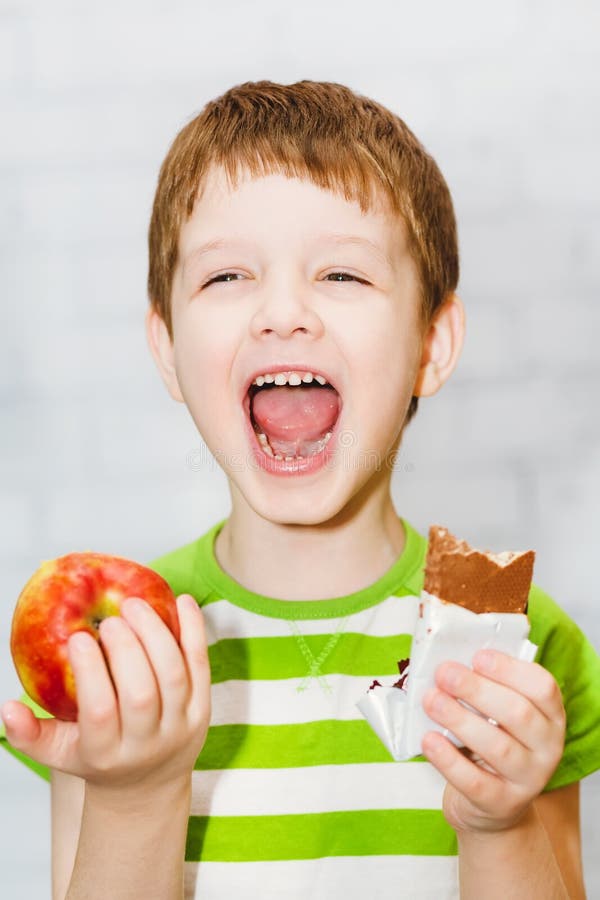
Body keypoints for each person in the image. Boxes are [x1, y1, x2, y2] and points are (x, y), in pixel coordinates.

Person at [2, 79, 599, 900]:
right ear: (167, 346)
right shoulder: (127, 654)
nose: (283, 313)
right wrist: (134, 795)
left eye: (342, 275)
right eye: (227, 277)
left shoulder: (519, 641)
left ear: (433, 342)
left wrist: (500, 824)